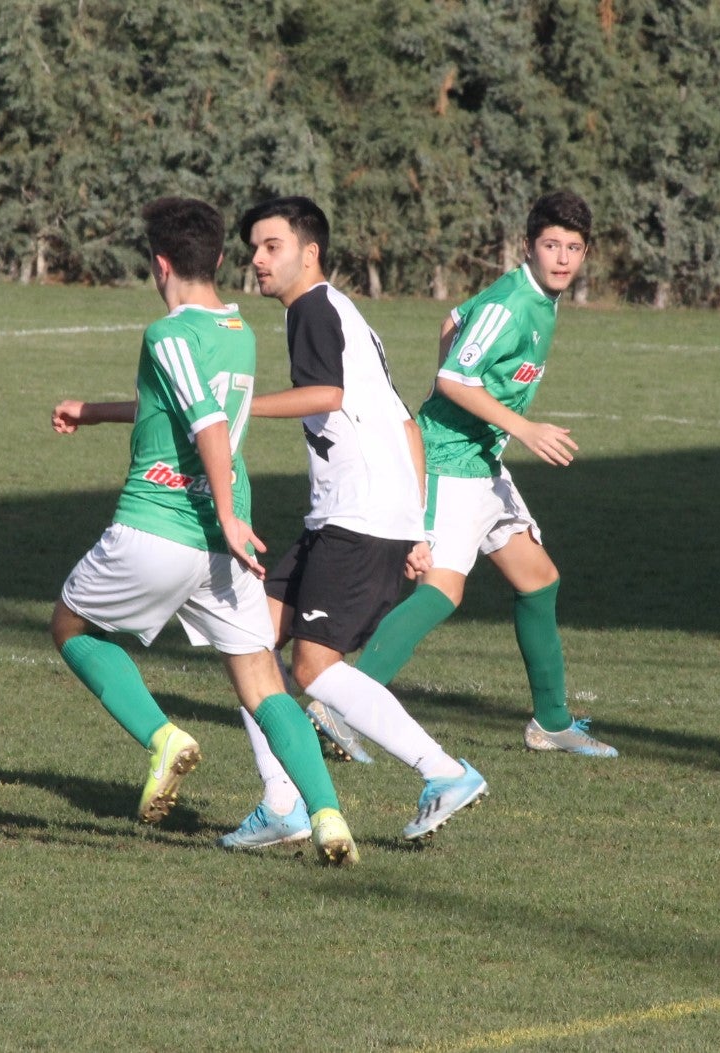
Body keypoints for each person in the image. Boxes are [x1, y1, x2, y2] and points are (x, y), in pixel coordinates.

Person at [49, 196, 359, 865]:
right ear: (219, 257)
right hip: (227, 550)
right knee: (263, 682)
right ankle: (327, 814)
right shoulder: (239, 330)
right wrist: (94, 411)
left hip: (161, 526)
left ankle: (163, 738)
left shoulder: (168, 333)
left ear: (159, 264)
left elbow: (208, 423)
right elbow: (178, 402)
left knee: (72, 628)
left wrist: (222, 511)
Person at [216, 195, 487, 850]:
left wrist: (232, 411)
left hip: (356, 517)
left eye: (272, 246)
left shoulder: (312, 308)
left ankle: (444, 770)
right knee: (249, 642)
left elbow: (325, 395)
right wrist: (416, 527)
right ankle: (283, 802)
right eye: (253, 248)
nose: (258, 259)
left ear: (309, 253)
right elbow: (404, 424)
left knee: (311, 667)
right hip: (352, 515)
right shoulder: (343, 313)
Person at [353, 189, 618, 759]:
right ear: (529, 246)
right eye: (551, 245)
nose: (563, 258)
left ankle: (551, 723)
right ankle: (343, 703)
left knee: (538, 579)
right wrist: (522, 428)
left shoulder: (536, 296)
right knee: (441, 591)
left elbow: (452, 320)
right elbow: (452, 379)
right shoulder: (513, 302)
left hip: (481, 460)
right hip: (451, 461)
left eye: (573, 248)